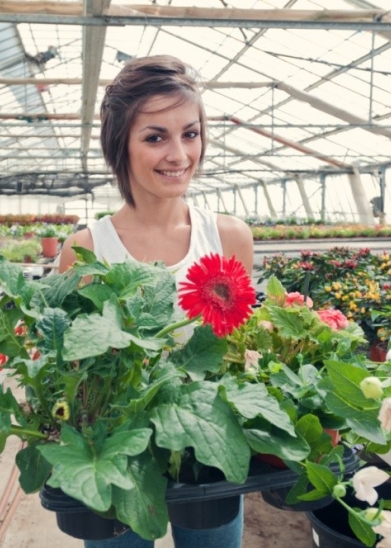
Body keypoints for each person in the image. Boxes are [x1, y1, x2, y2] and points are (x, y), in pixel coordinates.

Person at [58, 54, 253, 548]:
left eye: (190, 133)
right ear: (119, 146)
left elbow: (241, 348)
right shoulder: (85, 249)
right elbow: (73, 371)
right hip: (119, 455)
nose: (179, 154)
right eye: (155, 137)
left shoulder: (229, 237)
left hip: (206, 452)